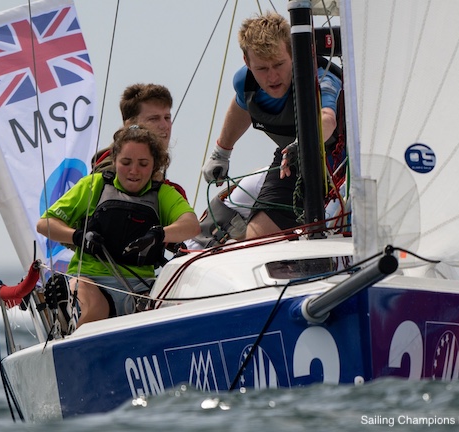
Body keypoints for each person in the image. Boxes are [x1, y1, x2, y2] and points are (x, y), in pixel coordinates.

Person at [37, 125, 200, 327]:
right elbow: (45, 224)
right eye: (126, 162)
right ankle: (70, 316)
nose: (134, 171)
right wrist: (78, 237)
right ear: (114, 160)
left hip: (140, 290)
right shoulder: (94, 185)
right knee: (93, 306)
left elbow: (191, 226)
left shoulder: (162, 194)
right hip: (91, 281)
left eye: (143, 164)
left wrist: (159, 234)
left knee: (167, 309)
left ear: (154, 165)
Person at [201, 11, 342, 239]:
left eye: (279, 64)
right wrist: (221, 153)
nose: (272, 76)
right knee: (257, 237)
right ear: (247, 62)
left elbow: (328, 118)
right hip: (291, 159)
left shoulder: (321, 77)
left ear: (294, 54)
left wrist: (304, 143)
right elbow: (241, 107)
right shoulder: (245, 81)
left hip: (343, 160)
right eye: (262, 69)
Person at [93, 83, 187, 198]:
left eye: (167, 118)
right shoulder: (105, 178)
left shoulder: (169, 190)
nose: (164, 125)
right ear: (130, 125)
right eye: (154, 119)